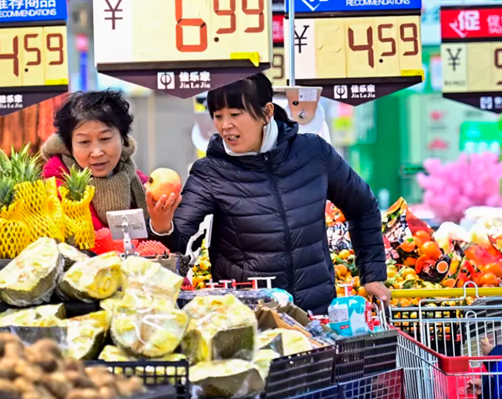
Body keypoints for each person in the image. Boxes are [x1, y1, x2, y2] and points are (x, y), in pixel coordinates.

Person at [150, 74, 388, 315]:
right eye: (218, 115)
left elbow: (363, 206)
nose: (225, 125)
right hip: (250, 320)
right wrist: (162, 226)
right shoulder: (211, 172)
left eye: (235, 114)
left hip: (316, 313)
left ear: (267, 112)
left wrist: (372, 274)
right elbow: (178, 240)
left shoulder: (314, 153)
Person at [41, 90, 180, 233]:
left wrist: (161, 225)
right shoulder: (54, 189)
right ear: (69, 146)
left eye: (105, 138)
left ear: (123, 138)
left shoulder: (140, 183)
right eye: (84, 142)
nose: (97, 152)